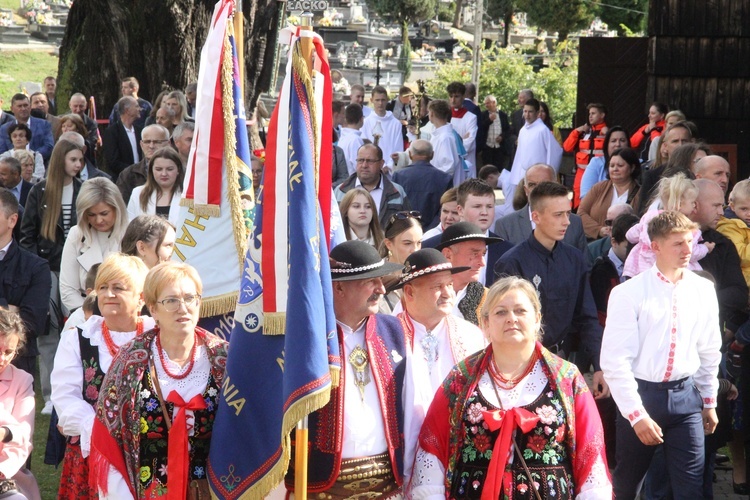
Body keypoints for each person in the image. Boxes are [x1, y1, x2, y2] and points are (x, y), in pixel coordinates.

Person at [410, 276, 612, 499]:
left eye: (520, 311)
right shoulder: (461, 378)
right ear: (485, 323)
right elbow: (432, 450)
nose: (511, 319)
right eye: (501, 312)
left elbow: (591, 454)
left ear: (537, 319)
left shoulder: (567, 378)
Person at [601, 210, 721, 499]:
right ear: (655, 246)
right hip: (642, 395)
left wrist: (709, 400)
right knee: (626, 484)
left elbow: (709, 349)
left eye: (690, 241)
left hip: (685, 398)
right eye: (677, 243)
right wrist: (636, 414)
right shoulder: (628, 293)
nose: (687, 250)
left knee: (690, 488)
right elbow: (616, 362)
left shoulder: (703, 289)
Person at [90, 261, 228, 498]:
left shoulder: (223, 359)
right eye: (171, 300)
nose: (182, 308)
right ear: (153, 309)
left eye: (189, 298)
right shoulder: (130, 362)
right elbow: (109, 436)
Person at [283, 241, 406, 497]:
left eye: (381, 280)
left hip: (386, 482)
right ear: (338, 287)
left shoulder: (392, 330)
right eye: (370, 281)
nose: (381, 289)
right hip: (321, 482)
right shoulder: (306, 336)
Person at [52, 254, 154, 499]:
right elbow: (65, 395)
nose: (108, 294)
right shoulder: (79, 337)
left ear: (140, 297)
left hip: (147, 449)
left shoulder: (156, 336)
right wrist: (100, 432)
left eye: (118, 288)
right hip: (94, 450)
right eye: (103, 287)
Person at [392, 248, 485, 486]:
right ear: (410, 292)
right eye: (437, 287)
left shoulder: (471, 335)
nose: (447, 293)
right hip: (402, 459)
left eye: (448, 284)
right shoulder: (388, 336)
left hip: (458, 456)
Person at [19, 140, 84, 412]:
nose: (78, 165)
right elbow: (28, 234)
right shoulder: (40, 191)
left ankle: (77, 388)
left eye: (80, 160)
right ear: (60, 160)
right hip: (48, 268)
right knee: (48, 331)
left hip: (80, 267)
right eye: (73, 160)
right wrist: (39, 269)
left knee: (80, 326)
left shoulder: (84, 189)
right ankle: (50, 393)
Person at [0, 187, 51, 381]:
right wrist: (9, 308)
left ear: (12, 220)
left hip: (17, 365)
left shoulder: (36, 267)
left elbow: (34, 322)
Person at [426, 179, 513, 287]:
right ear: (460, 210)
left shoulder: (508, 252)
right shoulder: (430, 248)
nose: (484, 212)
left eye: (489, 207)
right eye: (477, 206)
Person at [60, 178, 128, 313]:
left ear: (117, 209)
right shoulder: (76, 234)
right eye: (91, 215)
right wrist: (91, 316)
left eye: (104, 213)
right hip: (84, 314)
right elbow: (67, 289)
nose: (98, 220)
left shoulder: (132, 231)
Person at [623, 174, 711, 278]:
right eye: (692, 202)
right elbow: (690, 253)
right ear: (679, 204)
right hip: (670, 271)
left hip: (642, 268)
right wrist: (705, 248)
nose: (694, 206)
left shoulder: (649, 216)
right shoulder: (684, 226)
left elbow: (631, 235)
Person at [494, 164, 588, 253]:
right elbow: (500, 266)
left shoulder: (575, 222)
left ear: (556, 186)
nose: (538, 190)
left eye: (545, 184)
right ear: (526, 190)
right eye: (532, 185)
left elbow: (585, 265)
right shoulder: (505, 225)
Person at [0, 309, 42, 500]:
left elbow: (24, 436)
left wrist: (5, 433)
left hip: (7, 475)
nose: (2, 359)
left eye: (8, 352)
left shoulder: (22, 380)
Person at [435, 221, 503, 325]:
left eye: (483, 254)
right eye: (475, 254)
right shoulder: (424, 295)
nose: (482, 263)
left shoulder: (490, 299)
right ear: (448, 255)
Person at [505, 98, 563, 214]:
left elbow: (556, 151)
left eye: (530, 112)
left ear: (537, 113)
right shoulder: (523, 130)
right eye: (525, 111)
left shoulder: (543, 130)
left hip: (539, 176)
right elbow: (519, 155)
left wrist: (549, 175)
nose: (527, 115)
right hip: (523, 174)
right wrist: (516, 176)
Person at [333, 144, 411, 228]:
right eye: (360, 160)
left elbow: (407, 225)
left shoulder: (397, 191)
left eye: (370, 161)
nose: (364, 165)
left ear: (381, 164)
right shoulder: (340, 191)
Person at [578, 147, 642, 240]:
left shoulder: (641, 192)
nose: (615, 169)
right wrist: (599, 230)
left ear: (632, 168)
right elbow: (581, 213)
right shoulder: (598, 188)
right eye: (611, 166)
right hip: (597, 242)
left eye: (620, 165)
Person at [392, 140, 453, 228]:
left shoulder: (399, 176)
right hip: (434, 231)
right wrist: (431, 230)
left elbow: (394, 206)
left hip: (405, 229)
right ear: (432, 155)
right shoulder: (444, 178)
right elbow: (447, 207)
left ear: (410, 154)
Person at [564, 103, 608, 207]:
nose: (590, 116)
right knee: (578, 202)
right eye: (589, 114)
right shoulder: (584, 133)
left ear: (602, 115)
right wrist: (576, 132)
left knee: (598, 201)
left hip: (600, 173)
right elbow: (567, 147)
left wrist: (608, 133)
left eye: (593, 113)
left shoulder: (608, 133)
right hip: (581, 172)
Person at [127, 147, 183, 226]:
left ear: (178, 170)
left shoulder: (187, 196)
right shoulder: (137, 193)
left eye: (169, 169)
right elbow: (130, 226)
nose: (164, 174)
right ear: (151, 170)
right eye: (159, 169)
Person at [116, 124, 172, 204]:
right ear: (141, 144)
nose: (151, 146)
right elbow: (122, 206)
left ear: (168, 143)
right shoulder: (128, 174)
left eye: (157, 142)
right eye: (147, 142)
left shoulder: (180, 172)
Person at [380, 211, 423, 312]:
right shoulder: (374, 276)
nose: (415, 250)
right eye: (407, 243)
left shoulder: (425, 272)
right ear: (389, 244)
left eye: (419, 243)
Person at [580, 126, 630, 202]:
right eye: (613, 141)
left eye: (622, 140)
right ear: (607, 145)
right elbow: (585, 197)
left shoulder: (639, 164)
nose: (618, 144)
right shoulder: (596, 163)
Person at [0, 93, 54, 163]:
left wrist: (31, 157)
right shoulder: (4, 129)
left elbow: (49, 146)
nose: (23, 108)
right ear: (12, 109)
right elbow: (2, 150)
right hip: (13, 167)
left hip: (39, 165)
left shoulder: (44, 125)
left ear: (30, 107)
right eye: (19, 106)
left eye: (26, 105)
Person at [361, 86, 403, 172]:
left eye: (383, 100)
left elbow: (398, 148)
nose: (380, 103)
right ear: (371, 100)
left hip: (389, 170)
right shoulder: (366, 122)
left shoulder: (395, 123)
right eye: (377, 100)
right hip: (371, 168)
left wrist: (388, 166)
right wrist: (378, 165)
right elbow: (364, 147)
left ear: (387, 100)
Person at [102, 96, 143, 181]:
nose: (140, 109)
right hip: (122, 180)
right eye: (136, 106)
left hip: (141, 179)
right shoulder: (112, 132)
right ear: (127, 110)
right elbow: (113, 162)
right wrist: (134, 171)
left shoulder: (140, 130)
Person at [428, 99, 464, 187]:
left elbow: (448, 167)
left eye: (428, 112)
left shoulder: (445, 137)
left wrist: (428, 175)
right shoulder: (439, 134)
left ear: (432, 113)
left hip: (442, 186)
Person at [447, 82, 478, 177]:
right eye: (451, 96)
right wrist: (461, 140)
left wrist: (450, 145)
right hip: (448, 161)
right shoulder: (444, 116)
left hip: (465, 161)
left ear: (463, 96)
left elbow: (469, 142)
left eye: (456, 96)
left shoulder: (471, 117)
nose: (453, 100)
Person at [480, 95, 510, 169]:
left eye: (488, 103)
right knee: (487, 169)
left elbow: (508, 130)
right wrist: (489, 120)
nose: (486, 105)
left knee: (498, 169)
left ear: (494, 103)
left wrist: (502, 137)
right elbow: (481, 128)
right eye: (485, 104)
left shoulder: (503, 115)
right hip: (487, 147)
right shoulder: (483, 115)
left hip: (499, 148)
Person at [337, 103, 365, 176]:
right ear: (361, 119)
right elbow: (359, 166)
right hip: (352, 182)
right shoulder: (355, 140)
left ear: (346, 119)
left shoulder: (342, 138)